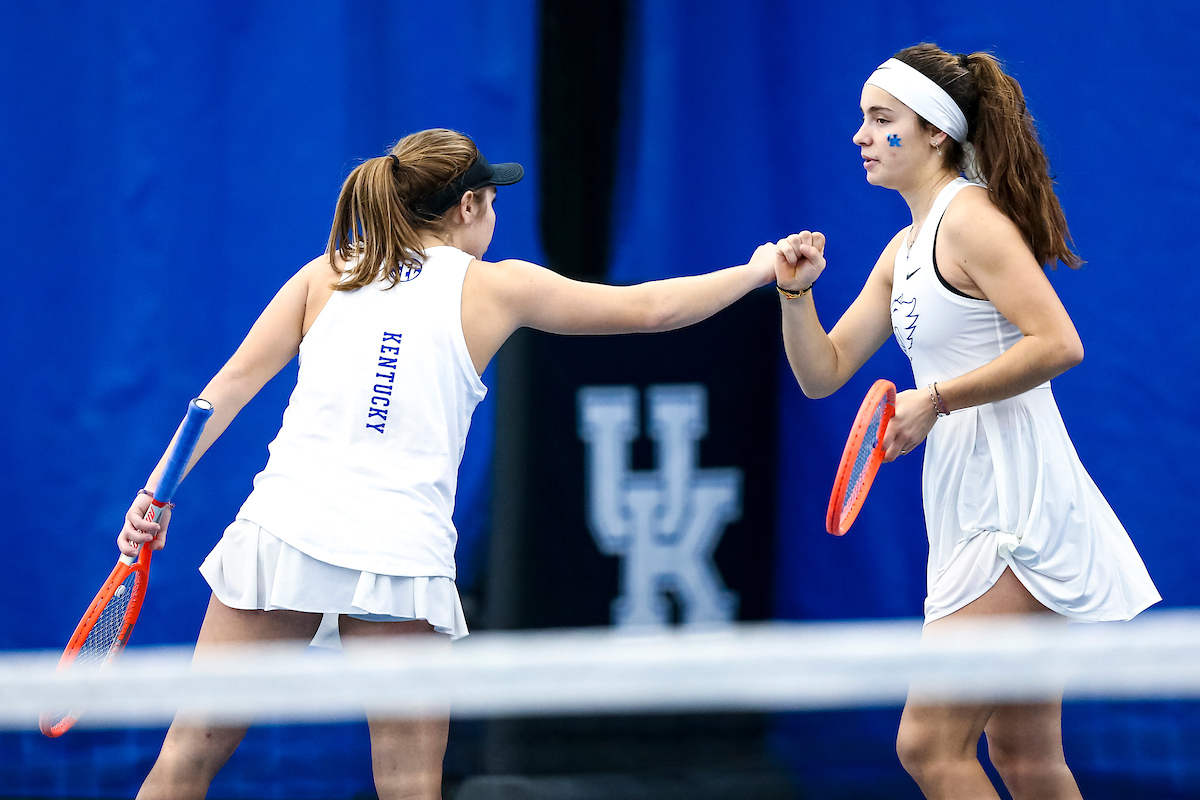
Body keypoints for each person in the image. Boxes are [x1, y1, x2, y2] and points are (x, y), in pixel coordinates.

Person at [120, 127, 782, 799]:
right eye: (493, 203)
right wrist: (759, 270)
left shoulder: (328, 272)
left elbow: (225, 387)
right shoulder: (500, 288)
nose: (495, 218)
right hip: (396, 555)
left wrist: (155, 493)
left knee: (184, 761)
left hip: (284, 534)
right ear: (468, 207)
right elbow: (651, 310)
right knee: (410, 787)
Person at [771, 44, 1159, 800]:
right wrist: (795, 296)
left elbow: (1060, 343)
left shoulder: (974, 221)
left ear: (935, 134)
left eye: (881, 120)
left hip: (1017, 512)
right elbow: (822, 373)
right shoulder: (903, 249)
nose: (860, 135)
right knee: (1023, 754)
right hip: (966, 508)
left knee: (928, 744)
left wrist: (938, 398)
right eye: (862, 118)